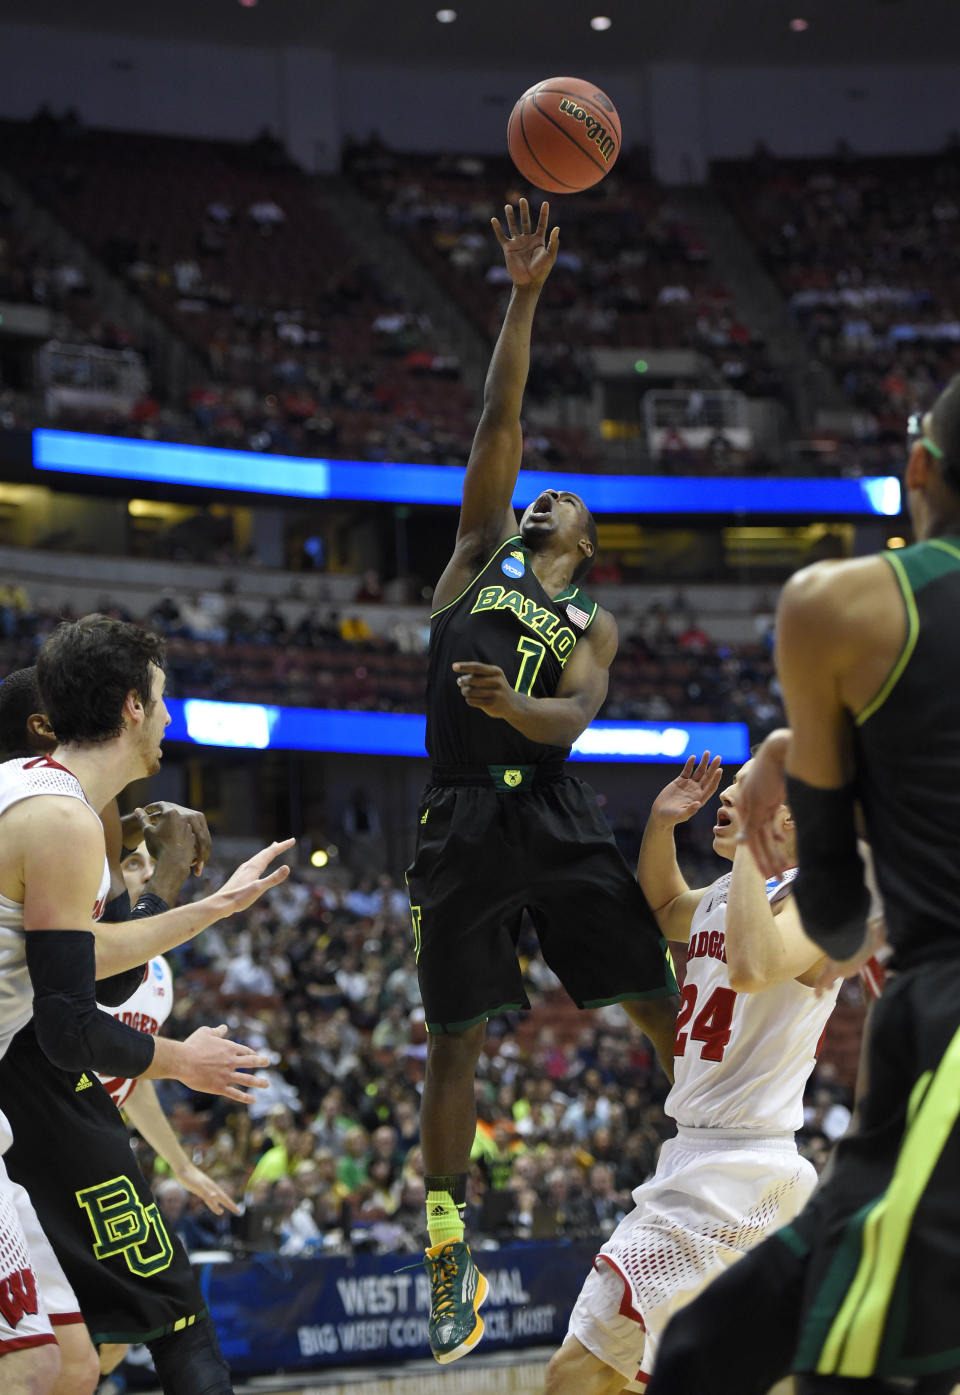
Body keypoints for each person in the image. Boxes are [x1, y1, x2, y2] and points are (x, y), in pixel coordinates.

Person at [646, 384, 960, 1395]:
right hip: (911, 1061)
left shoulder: (842, 606)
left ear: (920, 468)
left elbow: (823, 915)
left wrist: (802, 765)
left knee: (844, 1370)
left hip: (943, 1020)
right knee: (698, 1358)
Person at [406, 199, 678, 1365]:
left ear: (587, 537)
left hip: (551, 803)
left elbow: (580, 712)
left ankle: (724, 1162)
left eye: (560, 497)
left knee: (656, 994)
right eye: (535, 491)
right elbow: (497, 413)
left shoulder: (589, 616)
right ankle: (446, 1251)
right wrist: (523, 293)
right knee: (454, 1041)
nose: (541, 493)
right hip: (461, 807)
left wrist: (523, 709)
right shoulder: (478, 550)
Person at [0, 616, 291, 1395]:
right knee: (37, 1365)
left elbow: (80, 955)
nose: (168, 715)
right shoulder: (60, 820)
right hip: (22, 1083)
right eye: (162, 698)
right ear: (131, 706)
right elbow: (66, 1025)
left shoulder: (37, 796)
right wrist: (181, 1059)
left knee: (67, 1364)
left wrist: (213, 909)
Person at [546, 753, 840, 1395]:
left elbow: (757, 967)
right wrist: (659, 827)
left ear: (783, 817)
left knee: (578, 1375)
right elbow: (665, 904)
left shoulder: (822, 901)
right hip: (692, 1156)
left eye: (742, 791)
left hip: (743, 1168)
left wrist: (750, 857)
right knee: (618, 1378)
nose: (724, 796)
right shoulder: (732, 892)